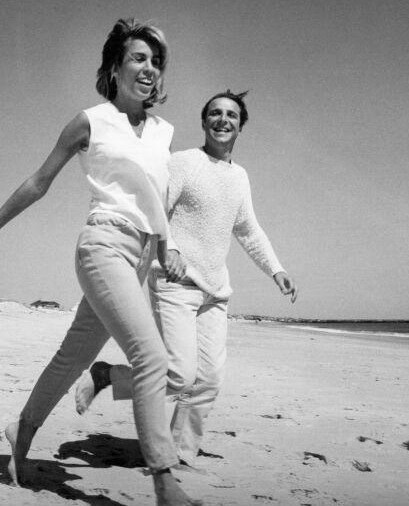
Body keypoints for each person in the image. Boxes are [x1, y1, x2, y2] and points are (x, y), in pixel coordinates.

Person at [0, 18, 201, 506]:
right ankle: (165, 482)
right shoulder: (90, 121)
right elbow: (38, 181)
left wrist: (168, 247)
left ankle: (21, 431)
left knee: (74, 357)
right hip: (102, 247)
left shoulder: (164, 132)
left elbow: (158, 199)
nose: (149, 69)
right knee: (151, 358)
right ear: (114, 68)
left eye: (156, 62)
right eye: (138, 58)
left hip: (140, 258)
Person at [76, 90, 298, 467]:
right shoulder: (184, 163)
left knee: (208, 381)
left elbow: (247, 229)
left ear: (241, 126)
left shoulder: (240, 177)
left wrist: (276, 269)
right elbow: (155, 210)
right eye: (215, 113)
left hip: (215, 290)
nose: (222, 119)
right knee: (179, 375)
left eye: (231, 114)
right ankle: (108, 375)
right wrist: (172, 248)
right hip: (175, 283)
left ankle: (179, 453)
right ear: (204, 121)